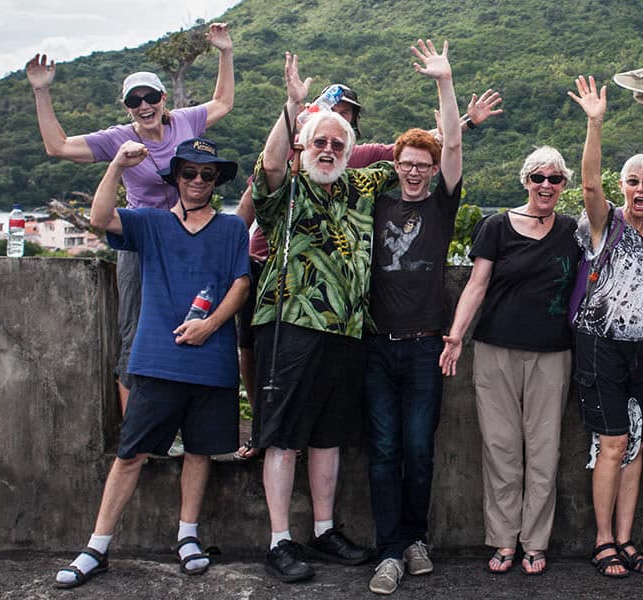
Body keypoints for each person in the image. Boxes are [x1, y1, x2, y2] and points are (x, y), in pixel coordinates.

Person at [232, 81, 504, 461]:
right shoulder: (295, 151)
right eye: (329, 111)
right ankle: (260, 431)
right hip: (270, 269)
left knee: (332, 419)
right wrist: (228, 250)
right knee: (251, 350)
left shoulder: (366, 160)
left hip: (342, 310)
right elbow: (257, 189)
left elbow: (421, 150)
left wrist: (467, 124)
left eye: (345, 115)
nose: (335, 125)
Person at [54, 137, 249, 589]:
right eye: (189, 173)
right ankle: (97, 546)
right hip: (158, 361)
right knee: (130, 454)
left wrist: (211, 325)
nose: (198, 181)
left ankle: (187, 535)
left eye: (207, 174)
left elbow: (240, 283)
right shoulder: (152, 224)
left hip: (212, 362)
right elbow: (100, 218)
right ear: (175, 177)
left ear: (216, 180)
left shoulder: (231, 229)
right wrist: (117, 165)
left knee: (200, 453)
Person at [249, 51, 406, 583]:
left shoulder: (362, 187)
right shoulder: (287, 191)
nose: (329, 149)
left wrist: (459, 116)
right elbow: (270, 167)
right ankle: (278, 541)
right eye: (320, 141)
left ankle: (321, 530)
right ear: (304, 144)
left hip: (348, 330)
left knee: (329, 437)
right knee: (283, 436)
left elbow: (420, 159)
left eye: (339, 143)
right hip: (290, 324)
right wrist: (293, 108)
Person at [26, 24, 235, 411]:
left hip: (189, 237)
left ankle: (179, 420)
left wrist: (225, 51)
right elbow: (57, 147)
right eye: (134, 100)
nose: (144, 105)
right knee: (135, 328)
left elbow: (222, 102)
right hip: (140, 242)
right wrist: (42, 90)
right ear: (126, 106)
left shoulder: (185, 122)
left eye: (150, 96)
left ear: (163, 97)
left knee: (193, 320)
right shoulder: (118, 139)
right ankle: (135, 431)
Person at [439, 146, 582, 577]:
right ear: (525, 180)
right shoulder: (496, 226)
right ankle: (503, 539)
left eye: (555, 179)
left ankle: (534, 542)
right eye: (538, 177)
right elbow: (477, 284)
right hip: (496, 350)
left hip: (553, 354)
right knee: (500, 449)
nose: (546, 186)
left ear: (563, 186)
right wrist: (457, 335)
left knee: (543, 451)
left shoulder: (572, 230)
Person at [567, 76, 643, 579]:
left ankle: (628, 537)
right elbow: (587, 182)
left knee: (637, 442)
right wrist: (595, 123)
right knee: (612, 442)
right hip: (599, 346)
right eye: (632, 182)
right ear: (622, 188)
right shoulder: (604, 222)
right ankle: (603, 540)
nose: (640, 189)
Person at [363, 40, 466, 596]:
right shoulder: (378, 203)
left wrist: (444, 82)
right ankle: (388, 552)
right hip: (377, 346)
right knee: (382, 451)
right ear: (395, 166)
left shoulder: (440, 204)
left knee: (420, 449)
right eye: (406, 165)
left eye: (422, 167)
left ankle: (414, 539)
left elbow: (452, 140)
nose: (415, 173)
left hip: (427, 347)